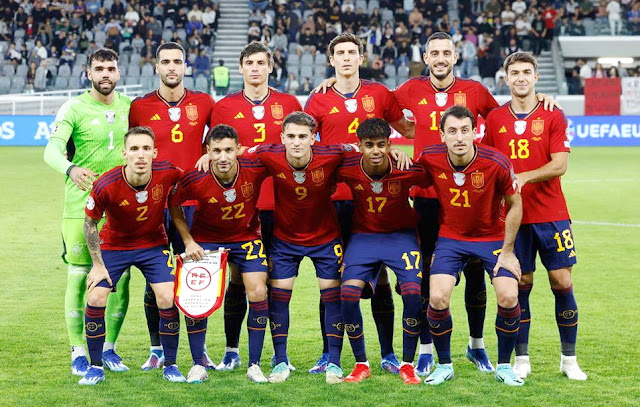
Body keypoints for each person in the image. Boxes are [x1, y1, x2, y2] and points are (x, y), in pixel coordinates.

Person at [393, 32, 557, 376]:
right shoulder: (410, 89)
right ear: (426, 57)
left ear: (456, 57)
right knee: (429, 277)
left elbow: (506, 117)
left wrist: (537, 100)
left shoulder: (475, 91)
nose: (440, 58)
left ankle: (477, 345)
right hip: (427, 197)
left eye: (446, 53)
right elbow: (383, 114)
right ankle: (426, 349)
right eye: (434, 52)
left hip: (474, 199)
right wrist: (400, 143)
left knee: (477, 276)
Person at [306, 33, 415, 375]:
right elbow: (306, 143)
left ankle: (387, 353)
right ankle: (329, 352)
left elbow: (408, 130)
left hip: (374, 199)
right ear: (331, 60)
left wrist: (398, 150)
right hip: (335, 200)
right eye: (340, 53)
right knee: (333, 279)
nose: (347, 58)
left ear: (361, 57)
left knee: (381, 279)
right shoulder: (319, 98)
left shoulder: (380, 93)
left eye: (352, 52)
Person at [483, 52, 587, 381]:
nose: (521, 78)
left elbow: (560, 164)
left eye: (527, 72)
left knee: (562, 281)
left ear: (536, 77)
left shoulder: (553, 113)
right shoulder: (496, 119)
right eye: (515, 73)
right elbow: (485, 160)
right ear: (506, 78)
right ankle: (522, 357)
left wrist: (524, 177)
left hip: (552, 214)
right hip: (513, 217)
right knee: (522, 284)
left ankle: (569, 359)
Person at [208, 42, 302, 372]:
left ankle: (280, 355)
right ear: (241, 68)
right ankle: (232, 349)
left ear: (271, 67)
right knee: (237, 278)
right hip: (241, 207)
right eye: (250, 63)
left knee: (274, 281)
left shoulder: (289, 103)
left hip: (281, 204)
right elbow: (214, 152)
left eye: (262, 62)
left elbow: (299, 145)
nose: (256, 68)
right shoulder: (223, 107)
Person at [417, 105, 524, 386]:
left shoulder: (496, 162)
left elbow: (515, 205)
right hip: (451, 239)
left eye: (465, 130)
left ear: (475, 132)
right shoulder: (429, 158)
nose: (459, 137)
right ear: (442, 135)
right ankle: (444, 365)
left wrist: (509, 250)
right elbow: (407, 179)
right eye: (452, 131)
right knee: (438, 297)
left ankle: (504, 366)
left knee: (509, 296)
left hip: (491, 239)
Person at [243, 112, 353, 385]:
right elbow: (237, 154)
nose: (296, 142)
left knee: (332, 298)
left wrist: (394, 152)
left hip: (325, 239)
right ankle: (281, 360)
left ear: (313, 138)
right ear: (282, 138)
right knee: (279, 298)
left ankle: (334, 362)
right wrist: (210, 156)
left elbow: (363, 151)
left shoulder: (332, 154)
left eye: (303, 136)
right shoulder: (269, 154)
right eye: (290, 136)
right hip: (285, 240)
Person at [128, 42, 216, 376]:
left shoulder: (204, 102)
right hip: (151, 205)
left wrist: (208, 151)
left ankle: (200, 350)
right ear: (157, 67)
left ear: (186, 66)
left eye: (177, 61)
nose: (171, 67)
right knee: (155, 281)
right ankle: (157, 349)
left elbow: (221, 138)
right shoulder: (139, 107)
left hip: (193, 204)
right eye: (165, 62)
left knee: (196, 277)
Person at [44, 48, 131, 377]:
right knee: (80, 278)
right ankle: (78, 350)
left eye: (111, 68)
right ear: (88, 73)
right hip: (79, 209)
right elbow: (51, 150)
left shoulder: (129, 107)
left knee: (119, 281)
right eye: (99, 69)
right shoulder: (74, 107)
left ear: (119, 73)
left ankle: (108, 348)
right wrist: (70, 168)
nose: (105, 74)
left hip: (122, 211)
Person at [79, 127, 185, 385]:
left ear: (154, 153)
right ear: (124, 153)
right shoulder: (106, 184)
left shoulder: (168, 173)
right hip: (114, 246)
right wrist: (97, 265)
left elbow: (191, 179)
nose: (140, 155)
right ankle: (95, 367)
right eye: (135, 149)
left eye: (146, 149)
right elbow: (89, 224)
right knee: (95, 295)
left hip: (153, 244)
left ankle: (170, 365)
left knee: (167, 296)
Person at [168, 124, 270, 383]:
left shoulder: (254, 167)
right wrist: (189, 241)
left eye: (228, 150)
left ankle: (254, 365)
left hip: (246, 237)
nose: (223, 157)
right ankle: (197, 364)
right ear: (207, 152)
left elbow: (280, 154)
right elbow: (173, 203)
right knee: (196, 296)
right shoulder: (195, 177)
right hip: (207, 240)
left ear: (238, 149)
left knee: (258, 290)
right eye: (216, 151)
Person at [337, 118, 427, 385]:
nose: (375, 151)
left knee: (412, 293)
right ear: (359, 146)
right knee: (349, 294)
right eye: (368, 145)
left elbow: (436, 177)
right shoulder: (348, 167)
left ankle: (408, 364)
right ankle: (361, 363)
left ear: (390, 144)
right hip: (364, 238)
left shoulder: (406, 168)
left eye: (381, 145)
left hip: (401, 238)